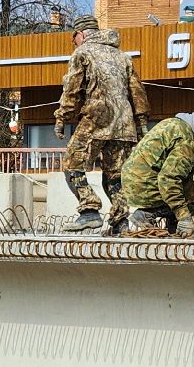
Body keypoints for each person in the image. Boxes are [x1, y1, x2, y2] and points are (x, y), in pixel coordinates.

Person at [54, 14, 149, 232]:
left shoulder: (83, 53)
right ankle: (120, 221)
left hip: (97, 117)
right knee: (115, 176)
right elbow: (138, 93)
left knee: (71, 163)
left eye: (74, 38)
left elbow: (72, 91)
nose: (73, 43)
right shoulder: (123, 57)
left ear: (81, 34)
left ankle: (89, 211)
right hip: (124, 125)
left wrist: (61, 117)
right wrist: (142, 123)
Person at [122, 104, 194, 235]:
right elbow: (168, 180)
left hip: (134, 181)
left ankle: (172, 220)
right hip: (146, 186)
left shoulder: (173, 123)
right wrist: (184, 217)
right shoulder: (186, 141)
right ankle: (149, 214)